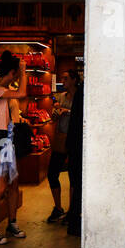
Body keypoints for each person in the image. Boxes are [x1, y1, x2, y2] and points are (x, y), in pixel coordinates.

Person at [0, 50, 24, 245]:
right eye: (15, 74)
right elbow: (23, 93)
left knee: (13, 183)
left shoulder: (5, 91)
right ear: (10, 72)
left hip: (8, 137)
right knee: (0, 186)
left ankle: (12, 222)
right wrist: (23, 72)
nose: (15, 78)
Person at [46, 69, 79, 223]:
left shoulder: (81, 97)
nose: (63, 81)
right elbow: (53, 119)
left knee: (73, 176)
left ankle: (72, 212)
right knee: (52, 173)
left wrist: (68, 111)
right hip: (60, 139)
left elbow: (84, 116)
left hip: (75, 140)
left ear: (73, 80)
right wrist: (55, 114)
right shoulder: (60, 97)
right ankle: (58, 208)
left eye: (65, 78)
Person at [63, 70, 83, 237]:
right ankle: (74, 221)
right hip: (78, 145)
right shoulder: (84, 92)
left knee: (77, 184)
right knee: (78, 184)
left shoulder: (81, 92)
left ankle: (73, 219)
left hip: (74, 144)